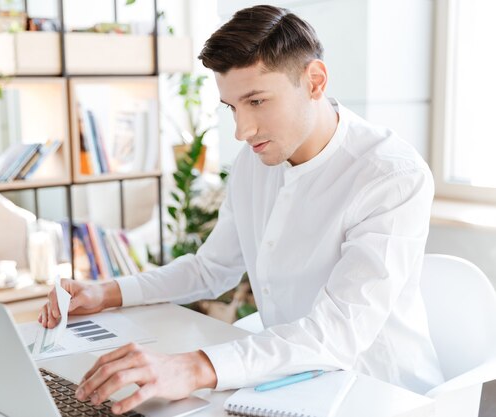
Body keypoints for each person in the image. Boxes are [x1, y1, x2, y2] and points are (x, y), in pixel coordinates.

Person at [39, 5, 444, 414]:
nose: (242, 130)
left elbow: (337, 335)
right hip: (286, 384)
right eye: (232, 107)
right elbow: (210, 269)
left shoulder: (390, 176)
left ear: (315, 81)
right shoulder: (257, 158)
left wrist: (196, 366)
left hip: (380, 392)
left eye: (257, 101)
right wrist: (106, 293)